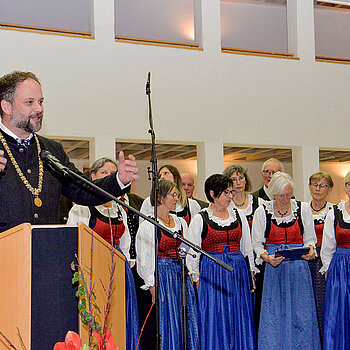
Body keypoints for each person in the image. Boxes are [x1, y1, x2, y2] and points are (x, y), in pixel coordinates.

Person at [0, 71, 138, 233]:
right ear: (7, 107)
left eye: (41, 101)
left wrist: (118, 180)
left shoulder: (52, 150)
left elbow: (83, 190)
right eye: (29, 102)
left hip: (47, 251)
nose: (39, 109)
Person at [67, 157, 140, 350]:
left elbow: (126, 242)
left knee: (119, 314)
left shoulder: (119, 209)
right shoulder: (82, 207)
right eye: (104, 173)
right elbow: (71, 238)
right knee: (97, 314)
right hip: (93, 267)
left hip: (118, 267)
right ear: (93, 177)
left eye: (112, 173)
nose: (108, 177)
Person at [187, 174, 257, 350]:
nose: (230, 196)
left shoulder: (238, 215)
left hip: (237, 273)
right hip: (212, 275)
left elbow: (247, 248)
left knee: (239, 316)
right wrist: (196, 280)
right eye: (226, 192)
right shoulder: (200, 219)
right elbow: (193, 253)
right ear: (212, 194)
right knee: (215, 319)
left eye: (231, 192)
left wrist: (251, 276)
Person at [252, 172, 320, 350]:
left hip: (299, 269)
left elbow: (311, 239)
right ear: (273, 193)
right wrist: (267, 258)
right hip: (275, 269)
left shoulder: (302, 208)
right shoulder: (262, 211)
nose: (285, 198)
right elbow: (257, 245)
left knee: (302, 314)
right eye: (281, 195)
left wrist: (311, 251)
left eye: (288, 194)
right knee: (274, 314)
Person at [136, 179, 199, 350]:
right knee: (167, 320)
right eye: (173, 195)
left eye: (177, 195)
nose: (176, 198)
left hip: (180, 275)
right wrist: (152, 285)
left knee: (183, 318)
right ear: (160, 197)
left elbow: (187, 251)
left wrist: (191, 272)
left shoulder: (180, 223)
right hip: (163, 276)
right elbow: (145, 258)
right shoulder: (149, 225)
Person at [223, 164, 265, 335]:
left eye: (241, 178)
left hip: (259, 258)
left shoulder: (259, 203)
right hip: (237, 257)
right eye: (234, 179)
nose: (238, 182)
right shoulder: (226, 204)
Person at [321, 171, 350, 350]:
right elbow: (327, 247)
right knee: (339, 316)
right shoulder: (334, 212)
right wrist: (328, 272)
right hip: (340, 271)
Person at [307, 171, 333, 343]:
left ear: (329, 190)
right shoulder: (301, 210)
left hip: (325, 262)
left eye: (322, 185)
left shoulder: (333, 210)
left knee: (324, 304)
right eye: (314, 185)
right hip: (306, 261)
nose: (317, 189)